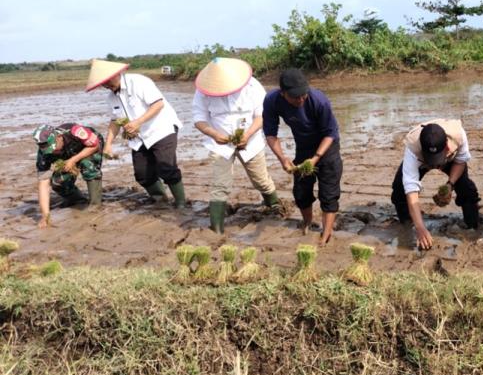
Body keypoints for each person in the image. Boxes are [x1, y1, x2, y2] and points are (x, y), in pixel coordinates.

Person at [192, 57, 281, 234]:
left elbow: (261, 115)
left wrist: (247, 135)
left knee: (260, 180)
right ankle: (216, 229)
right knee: (220, 185)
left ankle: (274, 206)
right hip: (220, 144)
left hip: (251, 140)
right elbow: (199, 118)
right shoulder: (203, 91)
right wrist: (214, 134)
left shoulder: (253, 86)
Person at [85, 59, 186, 208]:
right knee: (142, 174)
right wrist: (108, 145)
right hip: (139, 138)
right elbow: (115, 121)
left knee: (166, 168)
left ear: (117, 73)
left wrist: (138, 122)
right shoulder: (111, 98)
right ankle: (161, 200)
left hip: (161, 129)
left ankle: (181, 203)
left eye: (107, 80)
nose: (106, 85)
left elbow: (158, 104)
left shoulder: (138, 82)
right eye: (102, 83)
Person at [263, 68, 343, 244]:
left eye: (303, 95)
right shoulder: (272, 101)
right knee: (301, 191)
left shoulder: (319, 101)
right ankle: (307, 222)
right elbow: (270, 134)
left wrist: (316, 158)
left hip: (327, 147)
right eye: (295, 97)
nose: (300, 99)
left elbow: (330, 133)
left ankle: (326, 234)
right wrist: (282, 158)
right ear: (283, 93)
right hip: (303, 147)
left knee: (329, 193)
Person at [391, 119, 481, 250]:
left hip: (450, 159)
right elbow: (411, 191)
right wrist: (420, 227)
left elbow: (460, 162)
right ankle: (406, 223)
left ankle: (472, 225)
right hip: (421, 160)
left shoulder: (459, 136)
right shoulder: (413, 148)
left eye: (437, 160)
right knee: (399, 188)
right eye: (431, 160)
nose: (435, 165)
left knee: (466, 189)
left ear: (447, 147)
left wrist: (450, 185)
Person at [33, 123, 104, 228]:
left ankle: (95, 204)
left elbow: (95, 145)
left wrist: (73, 160)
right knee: (58, 181)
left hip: (89, 145)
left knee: (88, 165)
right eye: (50, 151)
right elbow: (43, 183)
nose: (53, 151)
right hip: (68, 155)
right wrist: (45, 216)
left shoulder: (75, 131)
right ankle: (77, 199)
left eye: (53, 148)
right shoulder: (43, 153)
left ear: (59, 137)